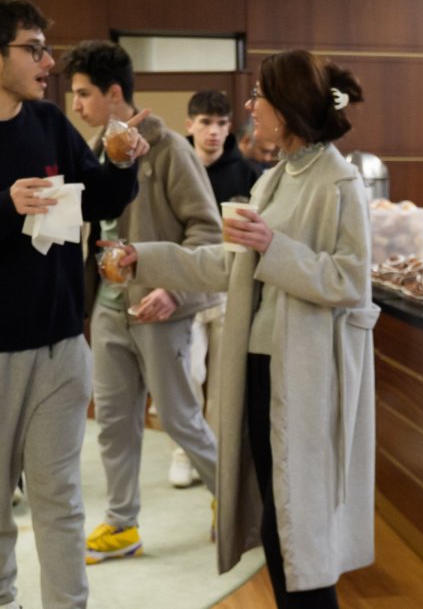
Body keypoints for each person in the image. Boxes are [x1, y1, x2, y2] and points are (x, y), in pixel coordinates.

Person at [106, 49, 378, 608]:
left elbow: (352, 280)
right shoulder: (275, 178)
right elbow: (228, 266)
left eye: (259, 96)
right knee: (278, 518)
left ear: (288, 106)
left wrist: (274, 247)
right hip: (262, 364)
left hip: (304, 372)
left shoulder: (338, 181)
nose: (250, 107)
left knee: (298, 526)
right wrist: (144, 258)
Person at [0, 0, 147, 609]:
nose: (49, 63)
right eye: (33, 49)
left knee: (60, 498)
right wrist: (4, 206)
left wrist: (120, 164)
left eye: (46, 49)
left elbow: (98, 200)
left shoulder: (48, 124)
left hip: (63, 345)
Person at [60, 40, 222, 564]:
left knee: (178, 418)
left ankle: (232, 498)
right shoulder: (90, 149)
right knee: (112, 421)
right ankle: (122, 523)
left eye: (84, 93)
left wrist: (173, 289)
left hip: (161, 309)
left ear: (114, 93)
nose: (76, 105)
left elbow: (207, 231)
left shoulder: (170, 149)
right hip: (108, 309)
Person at [173, 90, 267, 488]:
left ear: (230, 128)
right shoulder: (176, 167)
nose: (213, 131)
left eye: (221, 123)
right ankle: (185, 452)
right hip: (185, 286)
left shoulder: (248, 174)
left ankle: (217, 454)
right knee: (188, 373)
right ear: (190, 125)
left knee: (226, 382)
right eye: (206, 122)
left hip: (230, 289)